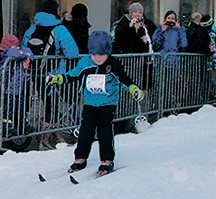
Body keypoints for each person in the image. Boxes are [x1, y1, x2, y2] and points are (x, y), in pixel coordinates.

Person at [46, 30, 144, 176]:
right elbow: (74, 74)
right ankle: (80, 157)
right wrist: (58, 79)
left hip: (108, 102)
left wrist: (133, 88)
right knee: (86, 130)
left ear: (108, 52)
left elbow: (124, 79)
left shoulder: (113, 64)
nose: (98, 58)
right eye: (94, 54)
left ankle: (107, 159)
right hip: (90, 102)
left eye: (102, 54)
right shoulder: (86, 62)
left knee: (104, 130)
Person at [21, 0, 80, 66]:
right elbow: (72, 53)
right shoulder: (60, 29)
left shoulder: (32, 28)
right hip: (53, 72)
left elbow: (23, 48)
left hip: (31, 71)